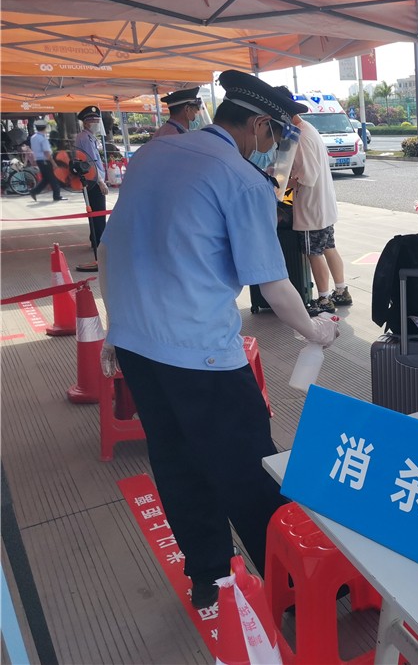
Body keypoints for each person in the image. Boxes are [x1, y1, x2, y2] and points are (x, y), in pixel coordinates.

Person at [98, 69, 338, 610]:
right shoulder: (242, 179)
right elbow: (274, 284)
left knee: (175, 461)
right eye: (278, 134)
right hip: (200, 354)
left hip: (138, 347)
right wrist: (315, 330)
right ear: (259, 125)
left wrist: (114, 329)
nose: (276, 146)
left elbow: (110, 248)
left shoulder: (151, 155)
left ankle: (208, 574)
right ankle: (294, 590)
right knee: (249, 468)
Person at [283, 93, 352, 313]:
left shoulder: (301, 136)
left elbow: (307, 176)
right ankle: (341, 290)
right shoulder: (307, 129)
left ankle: (323, 300)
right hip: (323, 204)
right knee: (328, 246)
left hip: (311, 207)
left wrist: (281, 183)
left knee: (314, 252)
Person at [73, 106, 109, 273]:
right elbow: (91, 161)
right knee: (98, 212)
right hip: (93, 180)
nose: (97, 123)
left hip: (92, 179)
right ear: (87, 123)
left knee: (95, 212)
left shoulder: (88, 137)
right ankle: (99, 243)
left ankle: (95, 239)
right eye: (94, 121)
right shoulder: (85, 138)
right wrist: (101, 182)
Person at [28, 119, 65, 202]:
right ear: (44, 128)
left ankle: (34, 191)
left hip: (38, 160)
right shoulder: (43, 138)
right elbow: (47, 152)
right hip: (45, 160)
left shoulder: (33, 137)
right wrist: (53, 163)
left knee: (46, 178)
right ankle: (57, 195)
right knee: (53, 178)